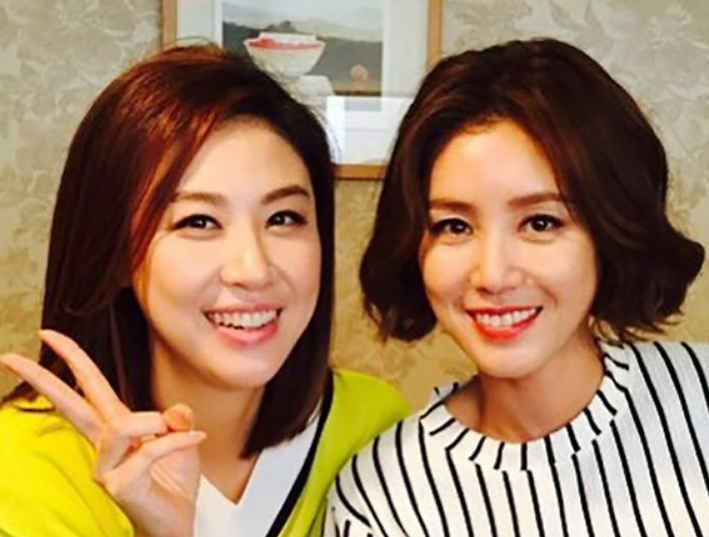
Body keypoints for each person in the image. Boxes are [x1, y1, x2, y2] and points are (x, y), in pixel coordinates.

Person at [0, 45, 409, 537]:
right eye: (198, 221)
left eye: (284, 218)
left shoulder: (374, 427)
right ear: (116, 254)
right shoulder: (23, 466)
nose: (253, 270)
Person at [327, 37, 708, 536]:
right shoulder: (381, 501)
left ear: (608, 231)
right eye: (454, 226)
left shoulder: (700, 394)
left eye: (541, 223)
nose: (493, 275)